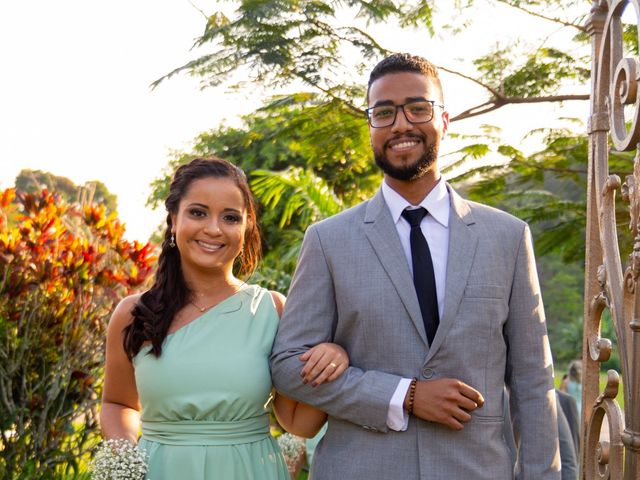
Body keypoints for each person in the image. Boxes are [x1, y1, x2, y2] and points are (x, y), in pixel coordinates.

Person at [271, 53, 560, 479]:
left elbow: (534, 382)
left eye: (418, 108)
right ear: (371, 129)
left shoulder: (507, 238)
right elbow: (287, 365)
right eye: (383, 113)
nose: (401, 124)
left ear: (444, 120)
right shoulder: (328, 240)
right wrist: (404, 395)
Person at [100, 157, 348, 479]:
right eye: (198, 212)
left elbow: (298, 421)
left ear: (246, 228)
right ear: (174, 220)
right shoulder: (133, 314)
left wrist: (333, 358)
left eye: (230, 217)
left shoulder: (273, 310)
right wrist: (124, 463)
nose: (213, 229)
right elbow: (118, 404)